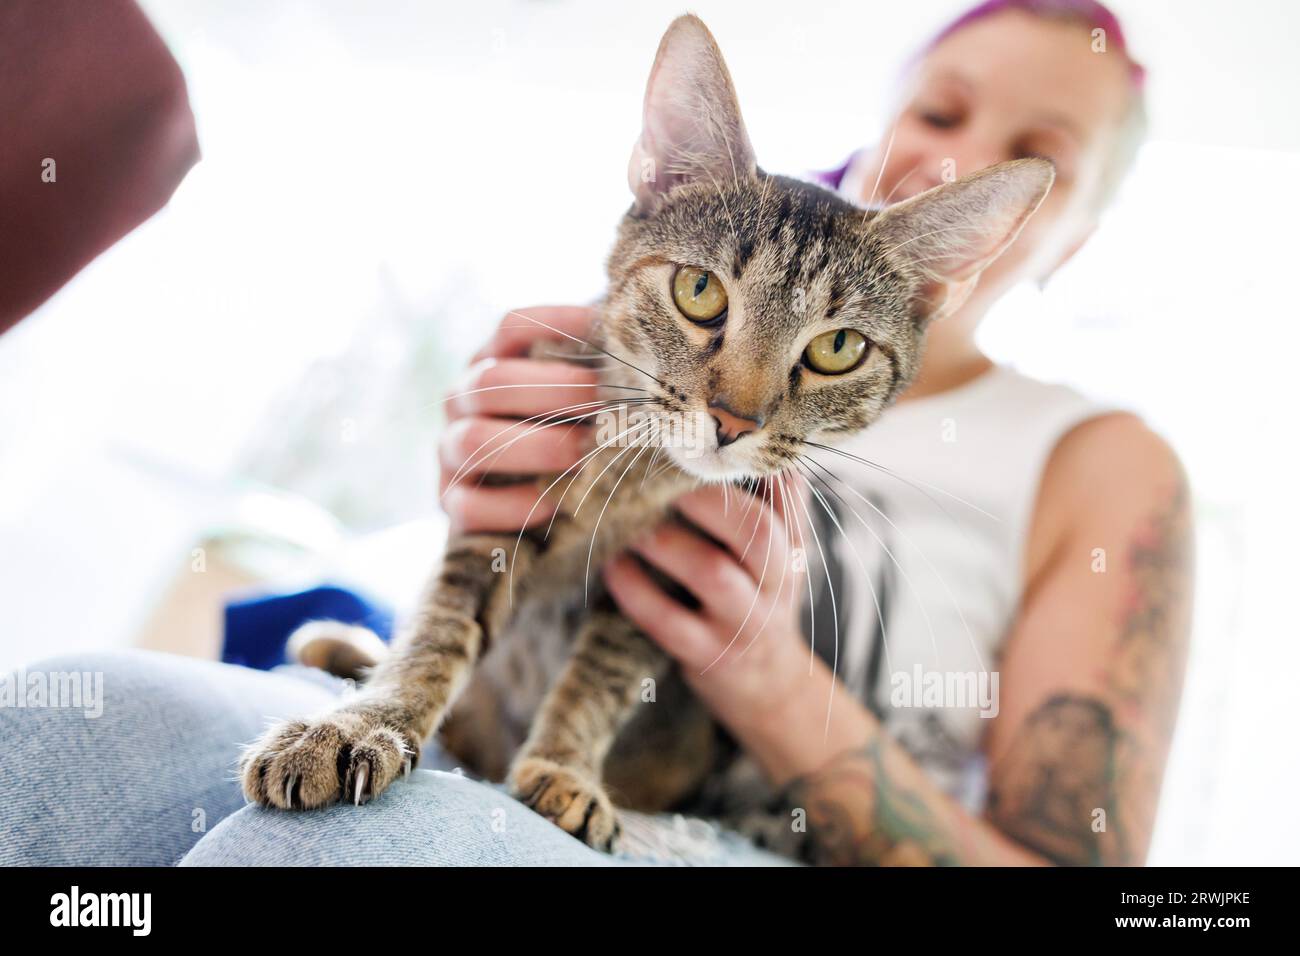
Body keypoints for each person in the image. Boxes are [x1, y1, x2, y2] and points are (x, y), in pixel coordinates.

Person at [0, 0, 1191, 867]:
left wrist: (768, 674)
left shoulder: (1102, 460)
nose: (967, 155)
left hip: (744, 828)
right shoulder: (664, 301)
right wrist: (480, 464)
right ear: (888, 121)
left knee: (319, 856)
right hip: (479, 705)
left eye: (1035, 158)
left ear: (1062, 232)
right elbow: (501, 532)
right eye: (940, 106)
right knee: (62, 728)